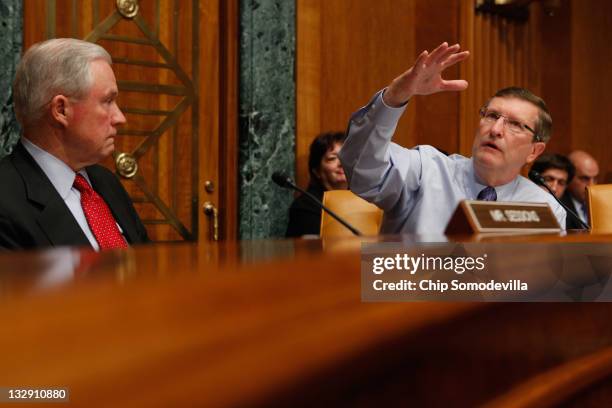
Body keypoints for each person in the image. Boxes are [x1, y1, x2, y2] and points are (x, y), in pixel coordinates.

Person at [339, 42, 566, 234]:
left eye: (515, 124)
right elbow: (361, 169)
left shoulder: (544, 209)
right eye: (492, 115)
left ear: (534, 151)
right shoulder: (425, 170)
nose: (496, 129)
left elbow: (544, 281)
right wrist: (396, 96)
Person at [0, 38, 149, 250]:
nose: (120, 118)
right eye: (107, 101)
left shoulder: (106, 182)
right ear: (61, 110)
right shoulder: (6, 202)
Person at [286, 131, 348, 237]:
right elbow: (312, 250)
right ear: (317, 171)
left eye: (347, 157)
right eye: (332, 158)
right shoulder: (305, 207)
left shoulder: (368, 200)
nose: (341, 163)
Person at [561, 150, 600, 229]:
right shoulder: (559, 206)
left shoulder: (603, 204)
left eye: (595, 179)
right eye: (585, 178)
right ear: (569, 178)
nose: (592, 185)